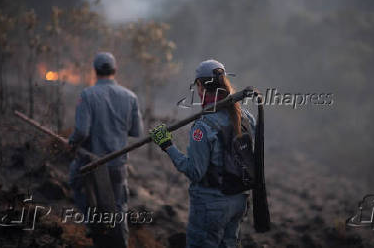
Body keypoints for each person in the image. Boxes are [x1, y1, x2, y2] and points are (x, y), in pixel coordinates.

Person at [150, 59, 255, 248]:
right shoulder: (247, 118)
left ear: (200, 85)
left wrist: (167, 145)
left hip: (211, 204)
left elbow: (194, 171)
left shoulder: (204, 126)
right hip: (239, 202)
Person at [68, 52, 143, 248]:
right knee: (119, 207)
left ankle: (92, 225)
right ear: (115, 70)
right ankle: (122, 243)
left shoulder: (87, 95)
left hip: (91, 165)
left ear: (95, 71)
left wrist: (72, 142)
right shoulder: (130, 97)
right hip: (117, 165)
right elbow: (137, 131)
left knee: (74, 182)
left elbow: (82, 131)